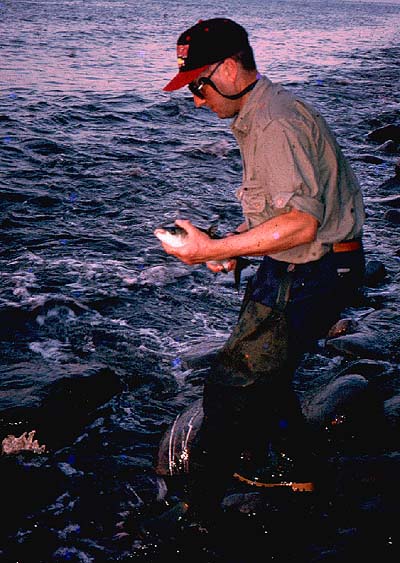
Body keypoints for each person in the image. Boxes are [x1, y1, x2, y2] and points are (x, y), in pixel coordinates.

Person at [156, 17, 365, 529]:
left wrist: (214, 248)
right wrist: (235, 249)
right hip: (312, 264)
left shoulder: (272, 123)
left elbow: (301, 222)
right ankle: (293, 468)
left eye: (199, 86)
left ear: (228, 69)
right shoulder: (265, 113)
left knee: (231, 386)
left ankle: (196, 516)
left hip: (313, 270)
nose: (197, 100)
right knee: (269, 372)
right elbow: (282, 215)